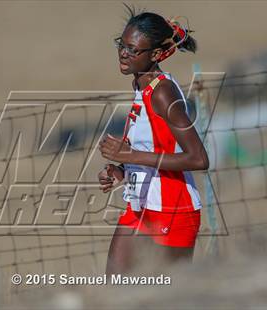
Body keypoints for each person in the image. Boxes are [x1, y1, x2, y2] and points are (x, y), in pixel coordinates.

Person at [98, 6, 209, 275]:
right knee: (115, 287)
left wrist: (129, 157)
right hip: (139, 203)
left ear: (156, 54)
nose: (124, 54)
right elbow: (157, 147)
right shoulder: (140, 86)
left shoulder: (163, 93)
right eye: (121, 45)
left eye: (133, 49)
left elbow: (198, 158)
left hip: (174, 208)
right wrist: (123, 172)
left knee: (170, 296)